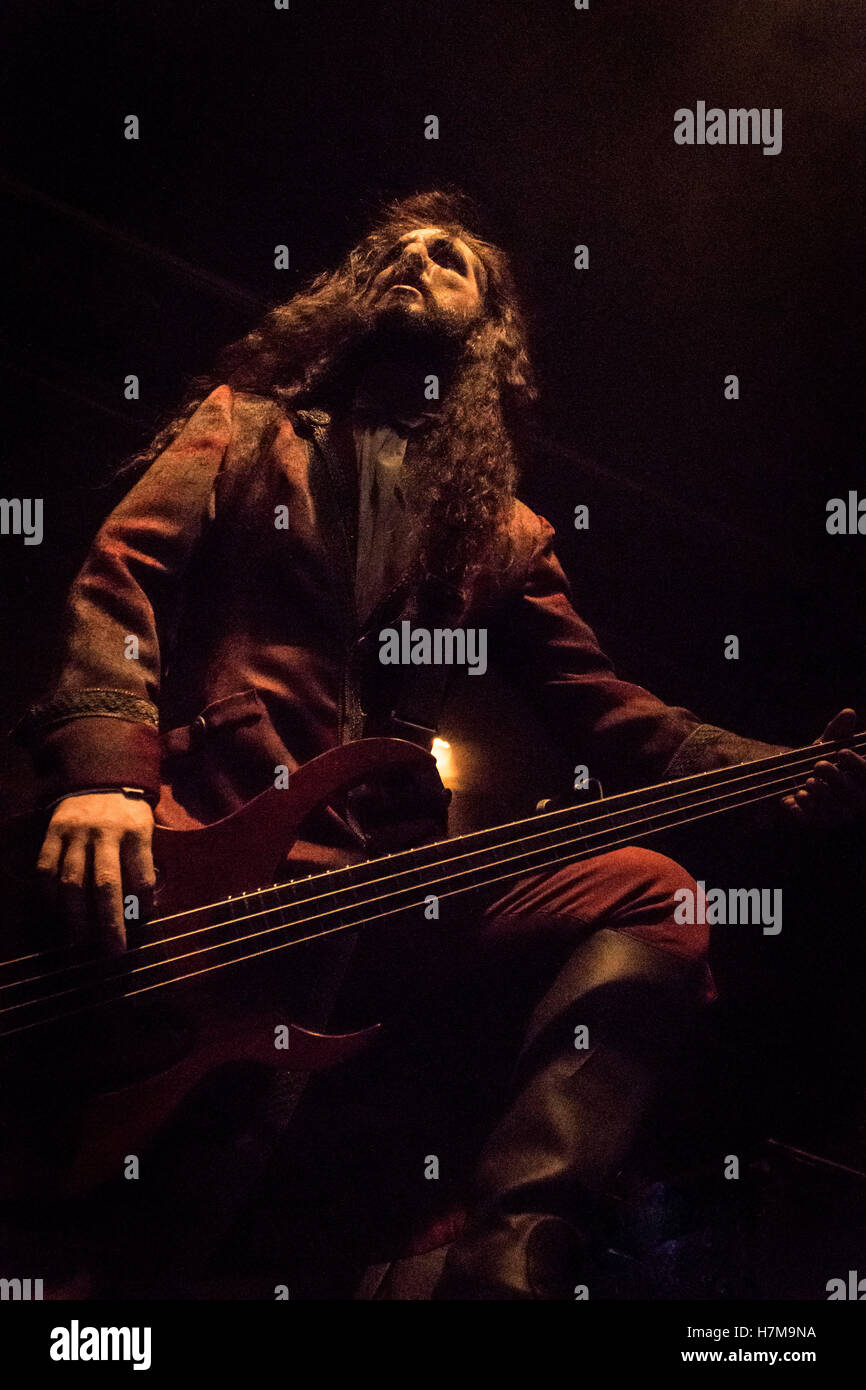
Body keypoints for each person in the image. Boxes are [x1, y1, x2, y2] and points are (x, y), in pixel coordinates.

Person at [14, 189, 866, 1298]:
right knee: (154, 1204)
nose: (418, 260)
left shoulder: (502, 536)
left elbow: (610, 713)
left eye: (452, 259)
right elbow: (120, 580)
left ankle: (511, 1251)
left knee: (651, 892)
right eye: (399, 250)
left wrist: (782, 773)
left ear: (487, 328)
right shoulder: (245, 423)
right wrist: (105, 776)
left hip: (370, 886)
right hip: (196, 840)